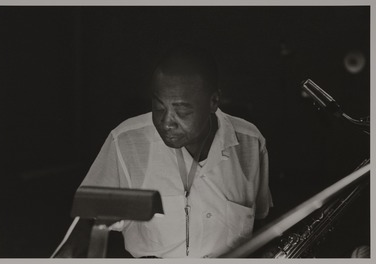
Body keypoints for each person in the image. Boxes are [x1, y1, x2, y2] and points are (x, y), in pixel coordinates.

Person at [54, 45, 273, 258]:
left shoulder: (250, 142)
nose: (166, 122)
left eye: (182, 111)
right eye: (159, 107)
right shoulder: (125, 141)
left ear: (214, 101)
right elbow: (88, 221)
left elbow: (261, 219)